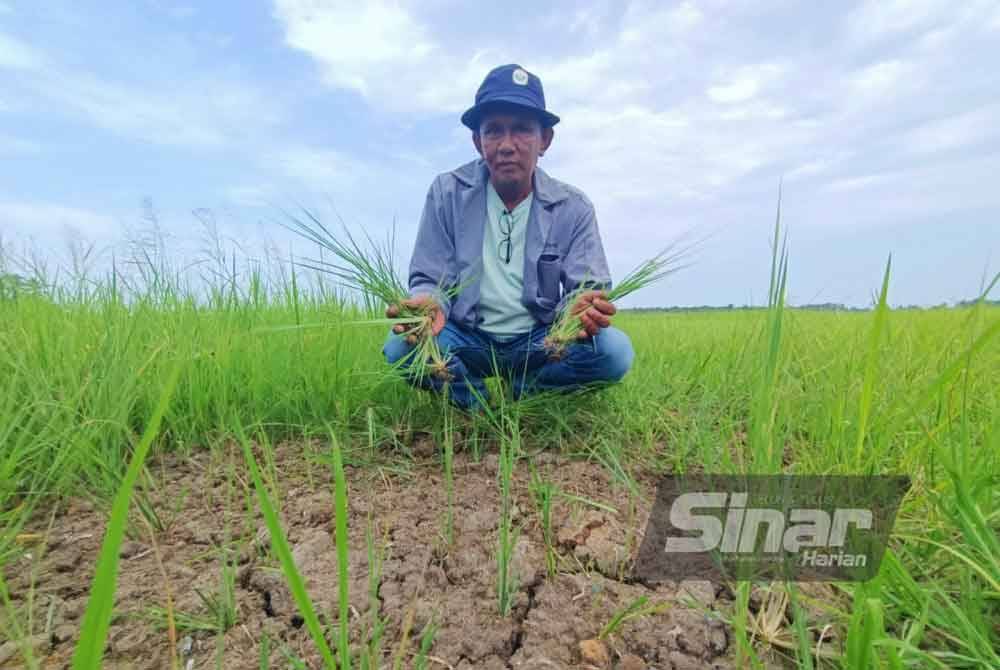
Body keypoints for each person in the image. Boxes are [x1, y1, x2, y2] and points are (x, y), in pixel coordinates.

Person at [382, 64, 634, 409]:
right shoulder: (447, 193)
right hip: (466, 337)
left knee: (613, 353)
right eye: (494, 131)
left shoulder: (572, 207)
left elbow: (586, 287)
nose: (507, 145)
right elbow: (429, 278)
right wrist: (428, 304)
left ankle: (524, 394)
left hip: (541, 342)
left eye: (522, 130)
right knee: (400, 348)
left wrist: (580, 309)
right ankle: (478, 408)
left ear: (544, 140)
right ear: (477, 141)